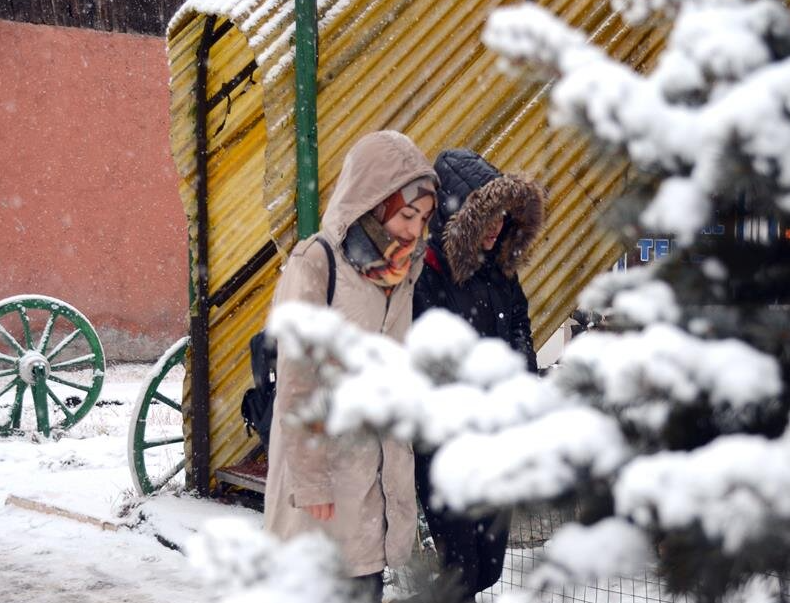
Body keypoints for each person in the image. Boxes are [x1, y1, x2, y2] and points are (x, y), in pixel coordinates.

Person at [263, 130, 438, 601]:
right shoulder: (317, 263)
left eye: (422, 218)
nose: (414, 229)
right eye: (406, 214)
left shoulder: (404, 273)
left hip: (375, 479)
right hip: (324, 483)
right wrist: (313, 482)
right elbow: (298, 386)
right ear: (373, 202)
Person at [413, 148, 544, 602]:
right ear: (459, 217)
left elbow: (521, 332)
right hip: (446, 450)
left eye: (500, 218)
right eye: (484, 219)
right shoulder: (428, 274)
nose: (495, 228)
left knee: (487, 570)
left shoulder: (502, 273)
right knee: (461, 574)